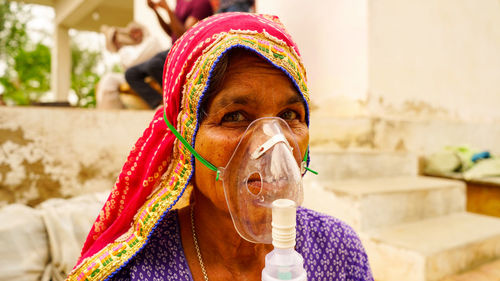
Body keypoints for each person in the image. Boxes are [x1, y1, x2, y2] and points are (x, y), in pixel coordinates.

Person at [67, 13, 373, 281]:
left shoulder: (338, 252)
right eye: (235, 117)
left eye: (289, 116)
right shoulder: (140, 269)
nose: (273, 142)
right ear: (186, 138)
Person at [124, 0, 213, 109]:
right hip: (173, 49)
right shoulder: (180, 2)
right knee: (131, 73)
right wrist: (156, 12)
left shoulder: (201, 3)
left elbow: (185, 36)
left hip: (188, 51)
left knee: (154, 64)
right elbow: (171, 32)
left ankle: (177, 104)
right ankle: (160, 104)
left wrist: (168, 10)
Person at [97, 22, 162, 109]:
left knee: (127, 74)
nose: (134, 35)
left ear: (142, 30)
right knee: (108, 80)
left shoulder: (152, 41)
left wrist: (121, 46)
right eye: (131, 33)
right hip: (134, 76)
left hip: (149, 74)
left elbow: (132, 62)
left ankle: (158, 103)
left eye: (136, 31)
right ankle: (108, 111)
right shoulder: (131, 49)